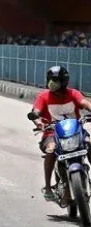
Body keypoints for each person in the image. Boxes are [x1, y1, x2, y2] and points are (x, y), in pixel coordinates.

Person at [27, 66, 91, 200]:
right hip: (52, 134)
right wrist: (38, 121)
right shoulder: (44, 96)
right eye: (50, 80)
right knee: (51, 150)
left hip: (76, 132)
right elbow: (36, 111)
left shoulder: (73, 93)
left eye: (55, 80)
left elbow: (84, 102)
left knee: (89, 143)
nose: (51, 83)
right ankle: (48, 187)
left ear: (64, 81)